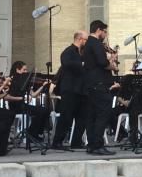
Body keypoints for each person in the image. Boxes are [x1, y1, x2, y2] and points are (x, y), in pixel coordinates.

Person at [82, 20, 119, 155]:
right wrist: (111, 61)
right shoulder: (96, 43)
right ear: (99, 30)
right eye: (105, 31)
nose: (106, 34)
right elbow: (102, 62)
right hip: (99, 84)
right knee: (103, 114)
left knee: (92, 116)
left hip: (91, 85)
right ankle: (98, 145)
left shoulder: (88, 44)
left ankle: (91, 145)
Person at [51, 31, 87, 149]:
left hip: (80, 90)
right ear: (80, 39)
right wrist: (81, 63)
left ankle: (76, 142)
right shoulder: (68, 52)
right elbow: (66, 63)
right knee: (66, 117)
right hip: (70, 89)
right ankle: (57, 142)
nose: (86, 42)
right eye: (85, 40)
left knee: (82, 117)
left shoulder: (81, 53)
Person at [4, 60, 51, 144]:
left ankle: (34, 133)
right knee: (41, 111)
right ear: (17, 70)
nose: (26, 72)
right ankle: (32, 134)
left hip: (23, 105)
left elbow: (33, 95)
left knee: (45, 110)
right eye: (24, 70)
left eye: (26, 70)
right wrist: (21, 99)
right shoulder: (12, 81)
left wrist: (42, 86)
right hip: (15, 107)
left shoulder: (25, 81)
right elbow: (7, 97)